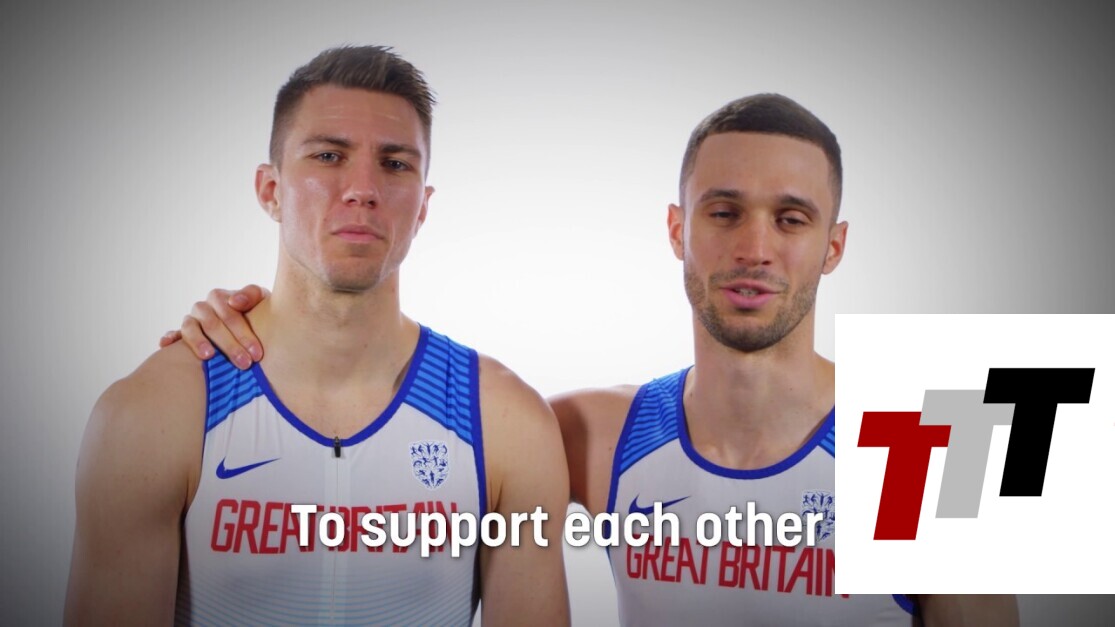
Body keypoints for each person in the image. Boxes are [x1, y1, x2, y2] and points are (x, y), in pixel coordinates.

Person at [164, 95, 1018, 625]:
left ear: (833, 246)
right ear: (677, 229)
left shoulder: (938, 440)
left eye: (790, 219)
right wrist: (256, 326)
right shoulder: (590, 434)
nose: (754, 247)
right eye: (723, 212)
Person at [65, 46, 570, 626]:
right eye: (329, 156)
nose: (363, 188)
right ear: (270, 190)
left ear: (423, 207)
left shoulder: (505, 422)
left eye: (395, 164)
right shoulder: (156, 413)